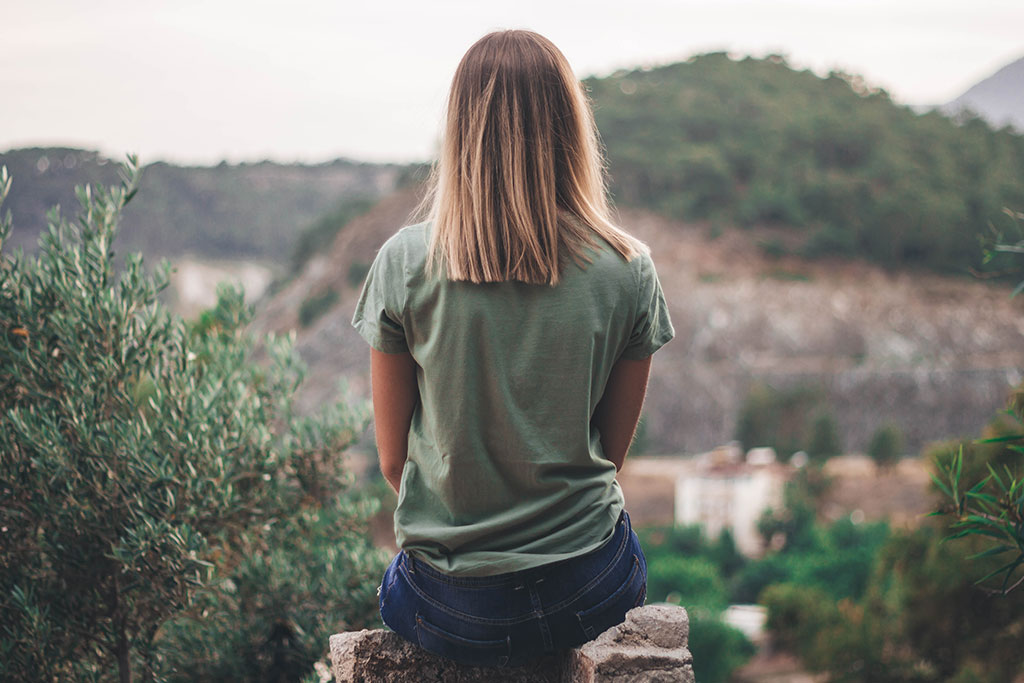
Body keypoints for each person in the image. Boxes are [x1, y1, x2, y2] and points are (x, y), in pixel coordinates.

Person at [351, 29, 674, 668]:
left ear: (461, 129)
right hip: (588, 588)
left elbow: (394, 464)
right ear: (570, 127)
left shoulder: (404, 262)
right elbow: (610, 453)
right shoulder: (627, 267)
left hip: (450, 605)